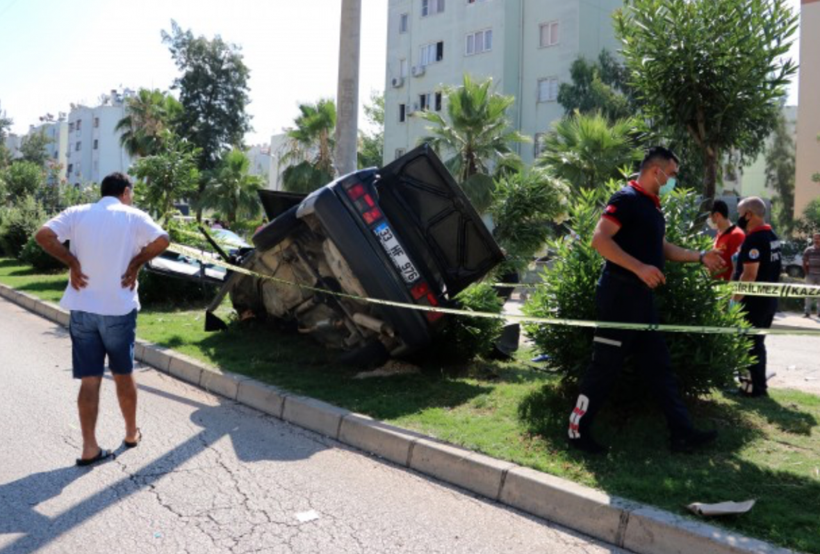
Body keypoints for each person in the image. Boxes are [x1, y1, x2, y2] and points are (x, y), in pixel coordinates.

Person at [567, 147, 725, 454]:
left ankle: (682, 434)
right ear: (657, 171)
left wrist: (701, 256)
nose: (674, 180)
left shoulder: (651, 207)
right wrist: (640, 268)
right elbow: (599, 240)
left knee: (659, 368)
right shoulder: (626, 199)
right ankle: (576, 432)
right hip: (619, 298)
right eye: (673, 174)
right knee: (603, 370)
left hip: (641, 301)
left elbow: (661, 247)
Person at [35, 173, 170, 466]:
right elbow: (163, 239)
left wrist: (72, 262)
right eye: (130, 193)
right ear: (124, 192)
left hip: (82, 308)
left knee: (90, 378)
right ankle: (131, 434)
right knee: (123, 373)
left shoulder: (77, 213)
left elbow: (43, 235)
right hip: (119, 309)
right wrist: (135, 263)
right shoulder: (133, 216)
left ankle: (89, 448)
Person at [731, 197, 782, 397]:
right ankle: (758, 386)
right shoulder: (772, 236)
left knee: (748, 344)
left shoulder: (754, 240)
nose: (738, 217)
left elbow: (749, 275)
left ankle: (750, 388)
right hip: (768, 301)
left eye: (739, 212)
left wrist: (735, 300)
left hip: (753, 302)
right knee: (757, 343)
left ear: (748, 215)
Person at [709, 200, 746, 281]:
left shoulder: (736, 235)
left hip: (726, 290)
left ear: (717, 215)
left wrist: (729, 291)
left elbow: (737, 268)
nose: (708, 221)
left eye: (709, 217)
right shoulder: (719, 233)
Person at [803, 233, 820, 317]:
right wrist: (806, 273)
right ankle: (807, 312)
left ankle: (819, 313)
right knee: (808, 294)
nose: (816, 240)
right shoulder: (808, 250)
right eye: (815, 238)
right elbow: (804, 262)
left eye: (818, 238)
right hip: (810, 275)